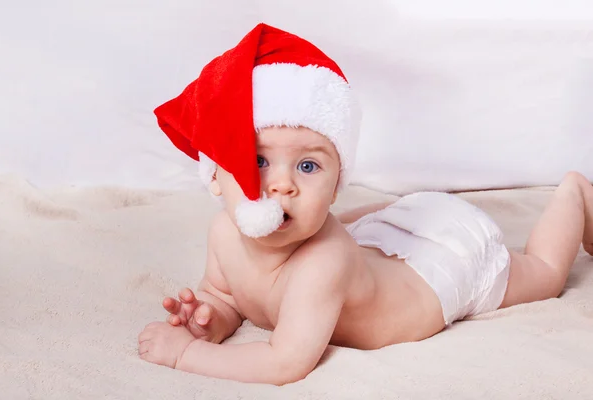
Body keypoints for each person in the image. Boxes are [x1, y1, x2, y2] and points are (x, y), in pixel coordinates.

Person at [137, 23, 593, 385]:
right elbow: (227, 296)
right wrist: (209, 320)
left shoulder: (322, 261)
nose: (281, 186)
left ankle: (576, 194)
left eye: (309, 167)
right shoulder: (223, 234)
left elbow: (284, 363)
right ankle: (387, 214)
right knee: (354, 236)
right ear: (216, 175)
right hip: (379, 239)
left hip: (441, 266)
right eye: (257, 160)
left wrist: (189, 353)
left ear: (337, 186)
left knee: (545, 273)